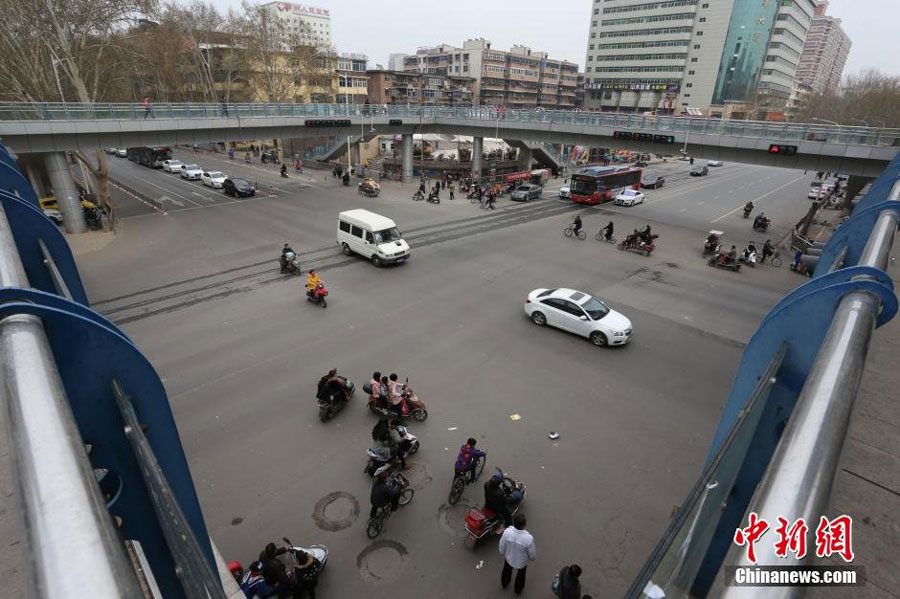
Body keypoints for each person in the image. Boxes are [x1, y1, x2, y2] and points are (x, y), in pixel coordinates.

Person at [499, 514, 536, 595]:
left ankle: (504, 583)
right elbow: (532, 554)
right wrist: (532, 558)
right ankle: (518, 590)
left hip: (509, 558)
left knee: (506, 571)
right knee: (521, 576)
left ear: (513, 523)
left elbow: (502, 544)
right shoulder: (528, 538)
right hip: (521, 563)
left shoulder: (507, 532)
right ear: (524, 525)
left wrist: (502, 552)